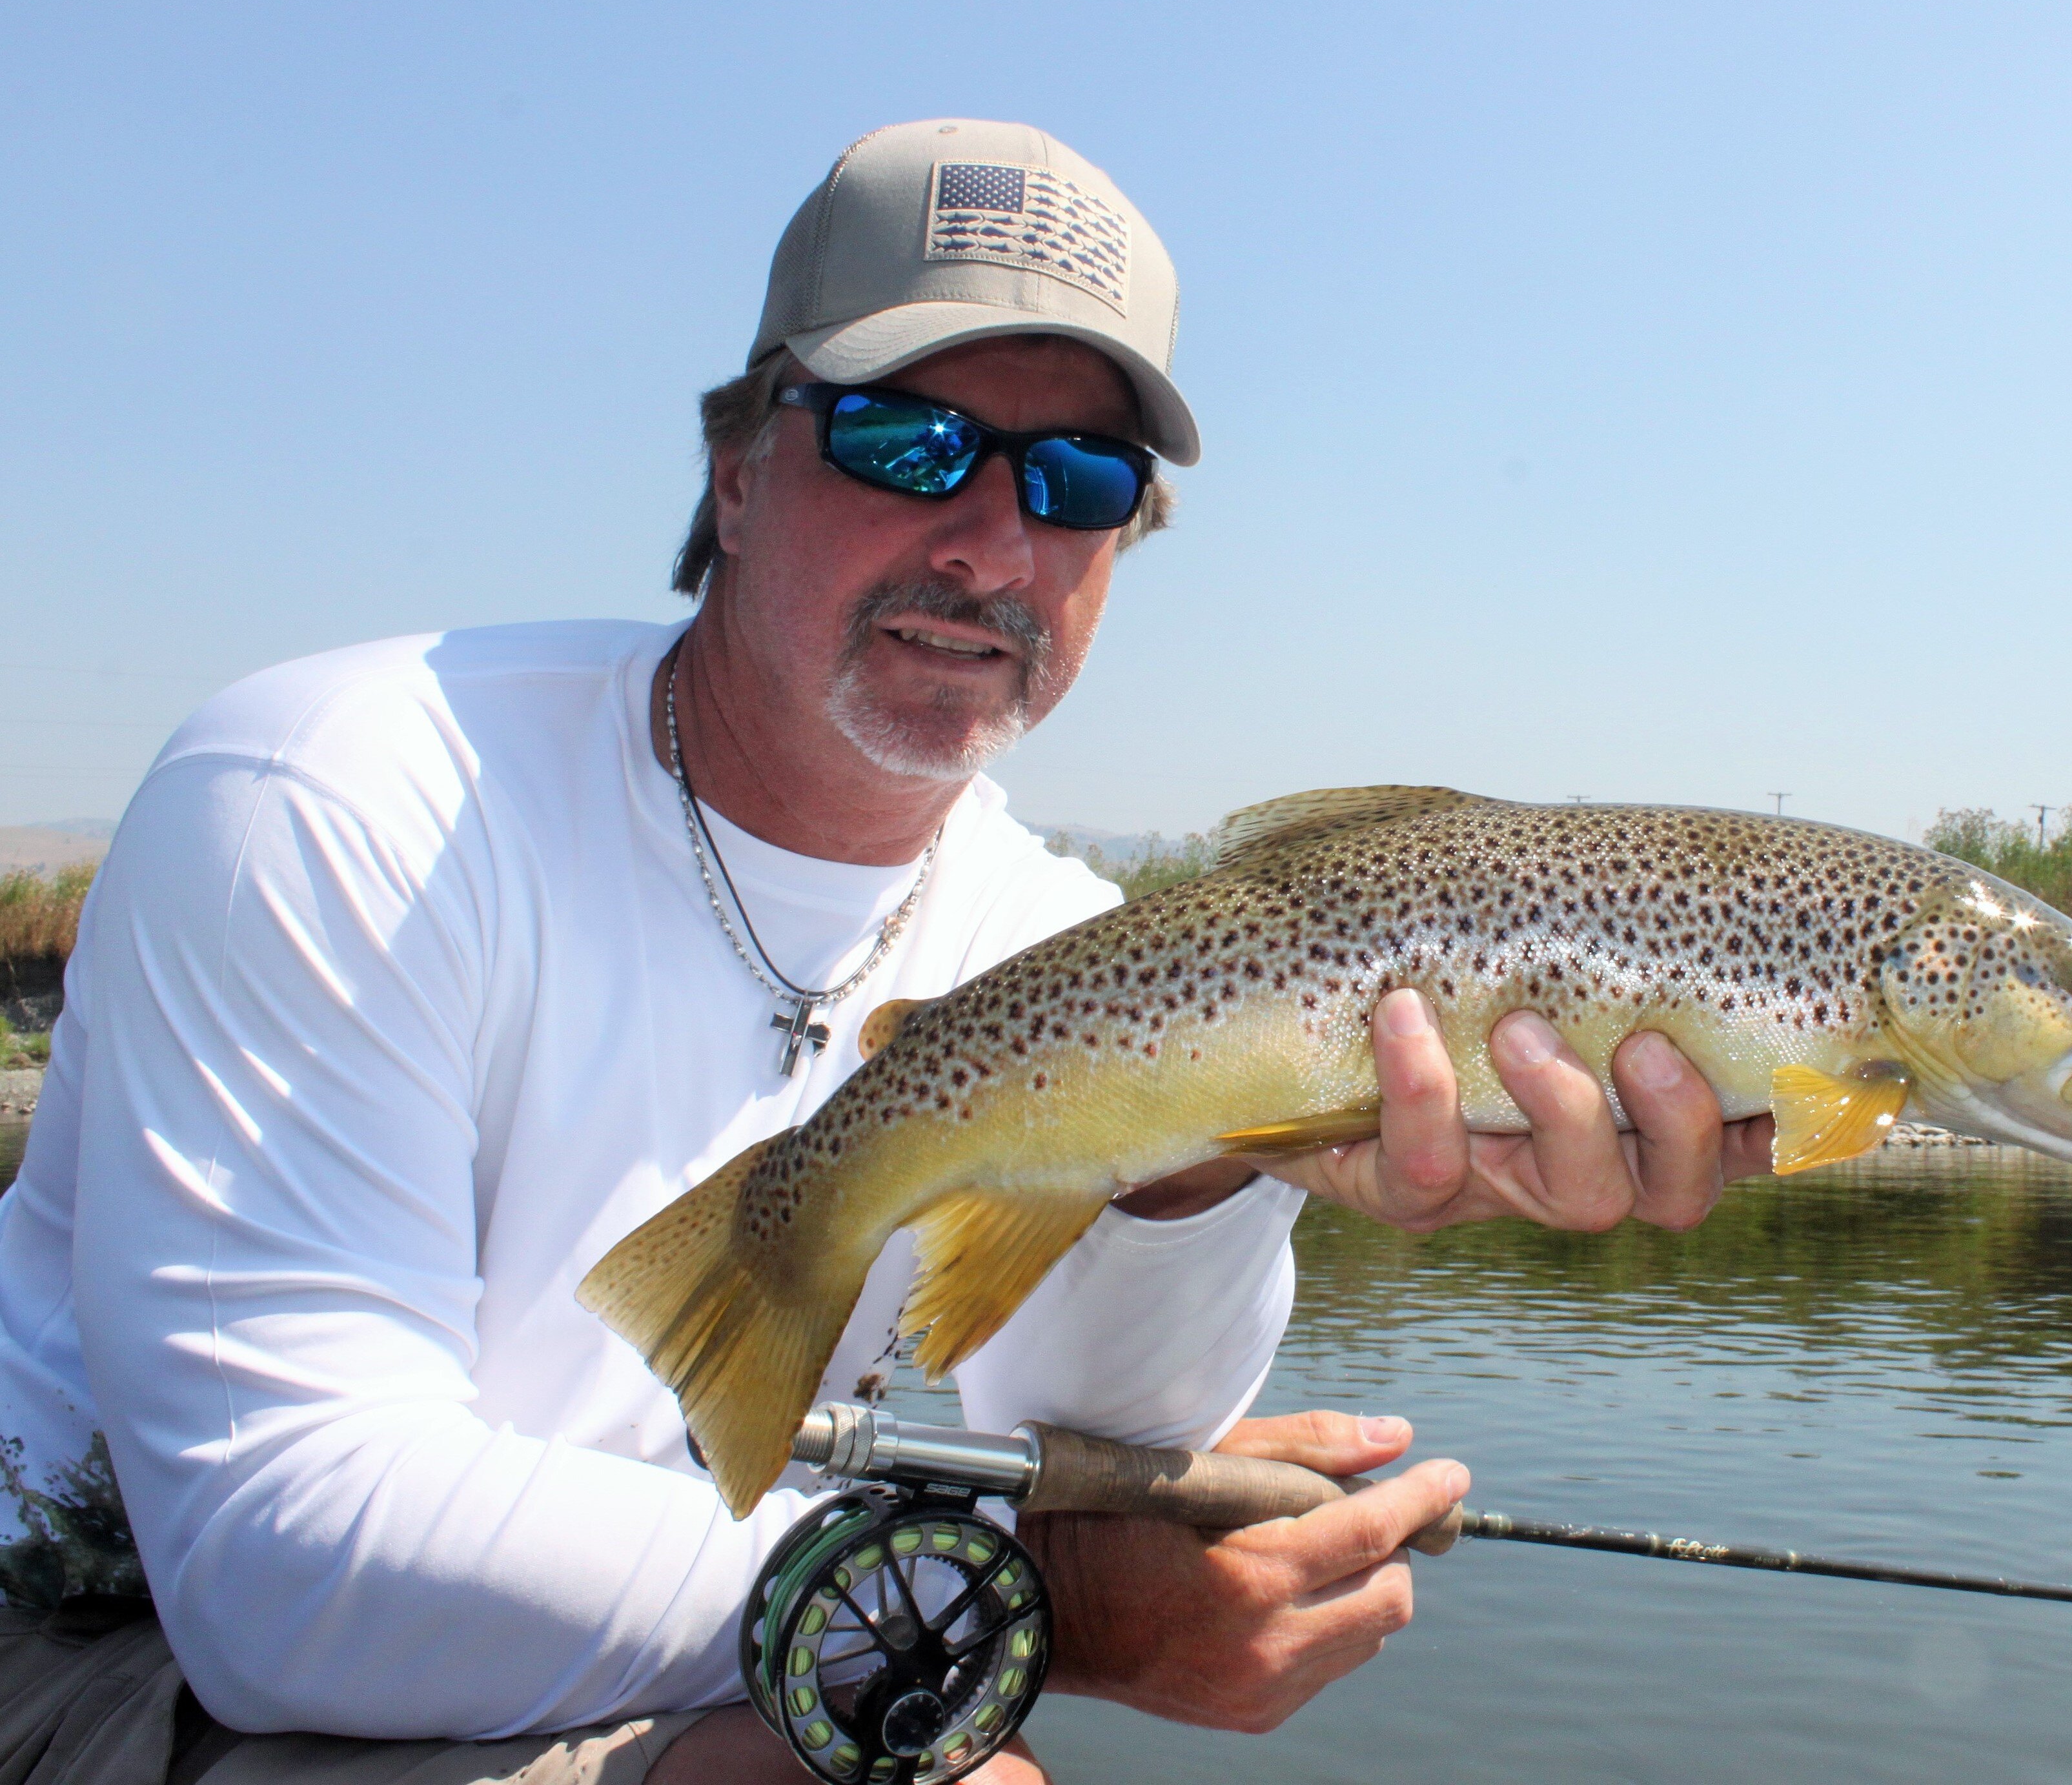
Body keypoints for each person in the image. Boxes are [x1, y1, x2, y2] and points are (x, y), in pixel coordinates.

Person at [0, 119, 1768, 1784]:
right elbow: (283, 1564)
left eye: (1080, 478)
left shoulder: (1081, 948)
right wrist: (1040, 1614)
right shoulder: (340, 797)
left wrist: (1213, 1171)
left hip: (668, 1659)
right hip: (101, 1651)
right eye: (908, 440)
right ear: (738, 468)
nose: (994, 540)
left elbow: (1094, 1426)